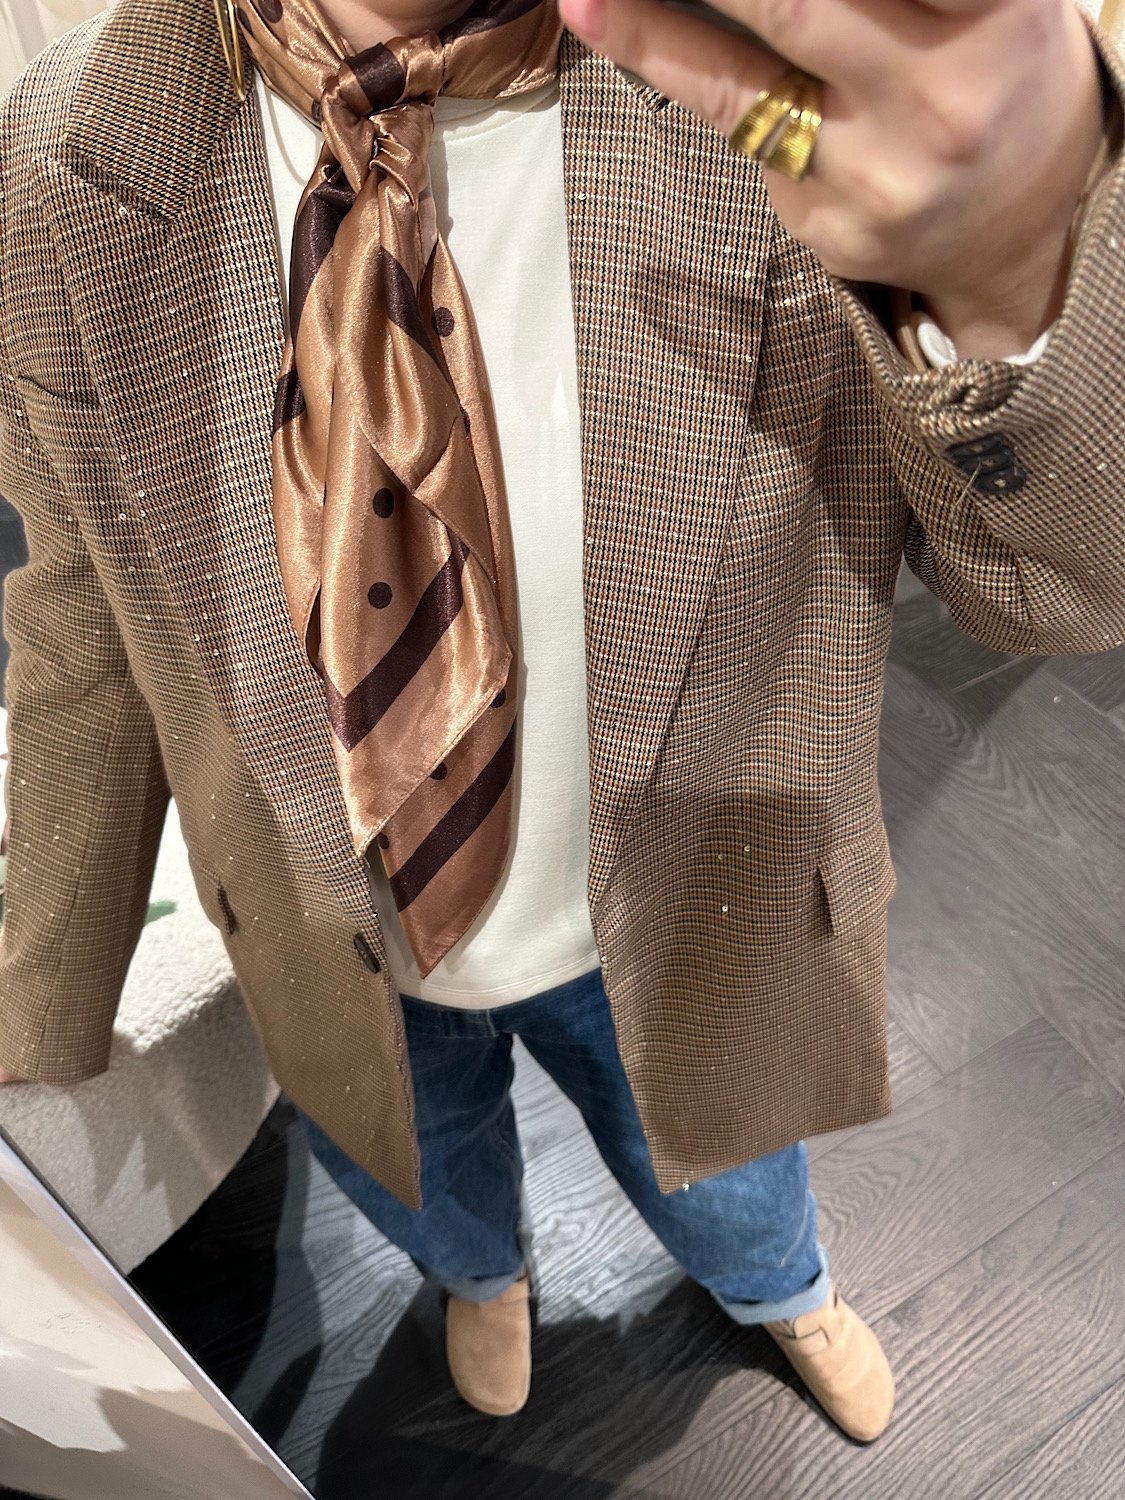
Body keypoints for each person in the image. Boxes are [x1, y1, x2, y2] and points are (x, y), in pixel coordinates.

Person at [1, 0, 1122, 1440]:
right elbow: (84, 624)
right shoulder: (65, 159)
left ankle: (781, 1289)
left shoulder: (791, 93)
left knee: (731, 1177)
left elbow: (1055, 596)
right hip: (329, 918)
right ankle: (483, 1275)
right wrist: (41, 986)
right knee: (425, 1163)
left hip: (686, 898)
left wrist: (1016, 282)